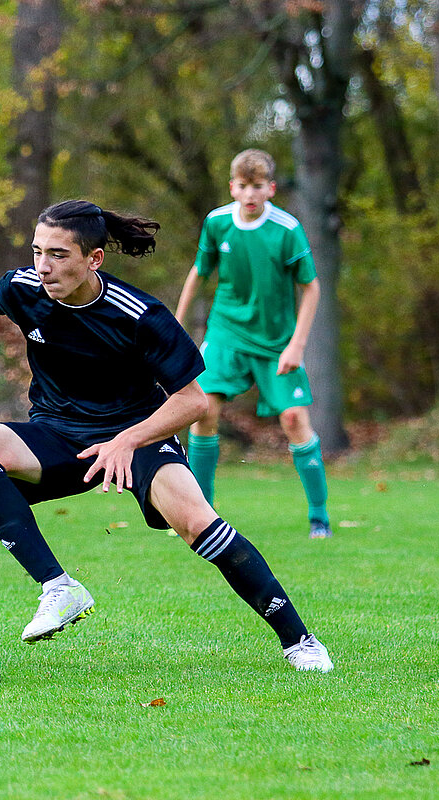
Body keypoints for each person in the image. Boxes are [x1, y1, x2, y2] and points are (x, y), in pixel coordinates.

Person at [0, 199, 333, 672]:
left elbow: (193, 401)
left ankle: (300, 641)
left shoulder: (140, 314)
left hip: (138, 436)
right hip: (59, 433)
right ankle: (58, 588)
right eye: (38, 251)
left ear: (94, 259)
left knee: (198, 524)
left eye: (59, 255)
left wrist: (127, 441)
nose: (43, 267)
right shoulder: (26, 288)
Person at [174, 149, 331, 539]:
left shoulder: (287, 228)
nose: (249, 194)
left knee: (294, 419)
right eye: (242, 186)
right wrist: (176, 324)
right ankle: (201, 513)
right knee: (203, 409)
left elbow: (310, 287)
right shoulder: (217, 222)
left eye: (257, 186)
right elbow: (200, 272)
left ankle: (319, 518)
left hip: (277, 339)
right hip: (226, 331)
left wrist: (296, 345)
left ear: (271, 189)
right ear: (232, 187)